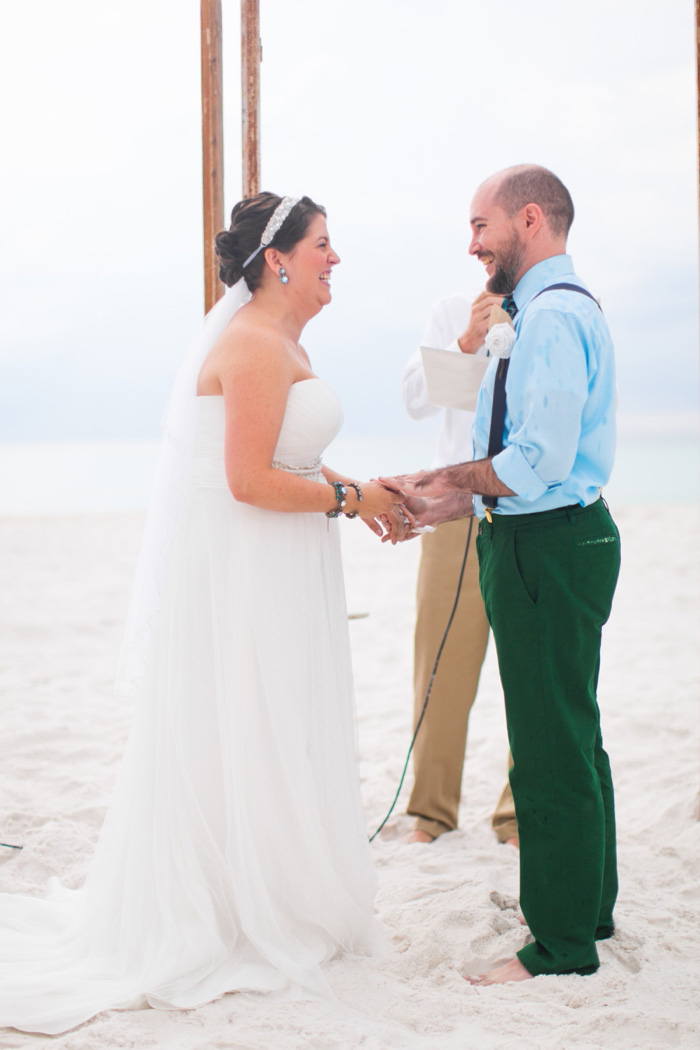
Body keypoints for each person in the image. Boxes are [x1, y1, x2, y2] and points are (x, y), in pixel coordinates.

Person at [0, 193, 406, 1034]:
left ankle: (280, 884)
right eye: (325, 245)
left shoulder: (283, 339)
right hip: (253, 571)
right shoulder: (253, 343)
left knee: (272, 722)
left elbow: (288, 454)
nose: (337, 260)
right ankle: (240, 907)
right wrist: (348, 496)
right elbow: (248, 480)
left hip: (279, 563)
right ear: (279, 258)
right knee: (249, 722)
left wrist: (363, 491)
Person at [386, 165, 620, 984]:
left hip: (546, 546)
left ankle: (557, 947)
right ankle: (590, 910)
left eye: (481, 225)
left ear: (529, 220)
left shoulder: (550, 316)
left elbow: (535, 461)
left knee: (549, 747)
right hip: (564, 534)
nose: (474, 243)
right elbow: (540, 467)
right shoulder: (567, 305)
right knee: (574, 733)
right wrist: (455, 504)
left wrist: (447, 481)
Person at [402, 291, 518, 846]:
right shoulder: (450, 310)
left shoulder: (557, 307)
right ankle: (431, 812)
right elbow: (414, 399)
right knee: (440, 663)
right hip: (456, 512)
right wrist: (467, 342)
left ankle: (520, 815)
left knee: (531, 667)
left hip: (530, 508)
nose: (477, 242)